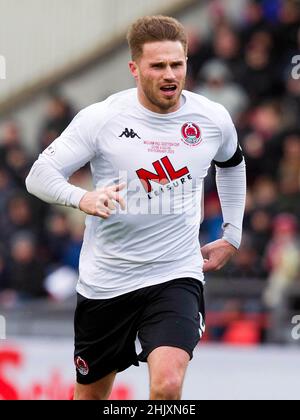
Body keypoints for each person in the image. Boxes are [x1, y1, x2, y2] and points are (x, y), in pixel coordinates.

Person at [26, 15, 246, 400]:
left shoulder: (211, 119)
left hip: (175, 273)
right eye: (157, 65)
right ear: (134, 68)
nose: (169, 74)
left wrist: (232, 234)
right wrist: (84, 198)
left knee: (167, 385)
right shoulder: (102, 119)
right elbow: (39, 175)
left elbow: (232, 164)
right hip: (107, 282)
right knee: (91, 396)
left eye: (177, 64)